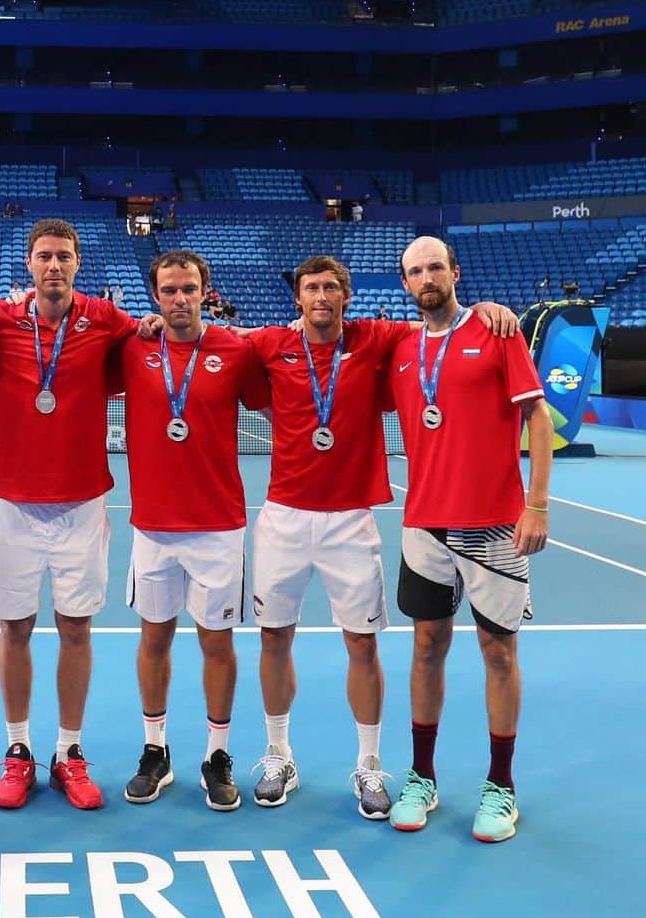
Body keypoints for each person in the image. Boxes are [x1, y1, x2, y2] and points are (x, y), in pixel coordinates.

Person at [242, 255, 519, 820]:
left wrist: (489, 310)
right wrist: (151, 322)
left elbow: (441, 320)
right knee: (274, 638)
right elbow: (219, 344)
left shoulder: (377, 340)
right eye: (310, 287)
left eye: (330, 287)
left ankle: (369, 765)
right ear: (297, 298)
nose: (320, 295)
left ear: (347, 296)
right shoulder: (270, 345)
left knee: (362, 645)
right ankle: (278, 754)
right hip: (284, 516)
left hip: (351, 519)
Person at [0, 218, 138, 811]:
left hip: (82, 507)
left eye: (64, 256)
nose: (54, 266)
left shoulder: (105, 320)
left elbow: (155, 335)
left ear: (78, 262)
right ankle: (18, 751)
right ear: (29, 264)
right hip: (12, 507)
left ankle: (68, 751)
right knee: (14, 628)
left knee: (75, 628)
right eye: (44, 256)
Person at [387, 235, 552, 844]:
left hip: (494, 526)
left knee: (498, 653)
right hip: (424, 525)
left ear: (455, 272)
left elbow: (536, 417)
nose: (426, 277)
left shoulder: (498, 332)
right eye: (415, 271)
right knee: (426, 647)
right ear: (405, 284)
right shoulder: (400, 348)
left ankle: (500, 786)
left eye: (435, 266)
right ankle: (421, 777)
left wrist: (536, 506)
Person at [118, 250, 269, 812]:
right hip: (153, 528)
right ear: (155, 295)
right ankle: (155, 751)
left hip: (217, 528)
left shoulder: (234, 350)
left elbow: (282, 392)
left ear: (206, 291)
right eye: (168, 291)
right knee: (153, 639)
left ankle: (217, 756)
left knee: (217, 643)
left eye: (188, 290)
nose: (178, 300)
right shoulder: (134, 348)